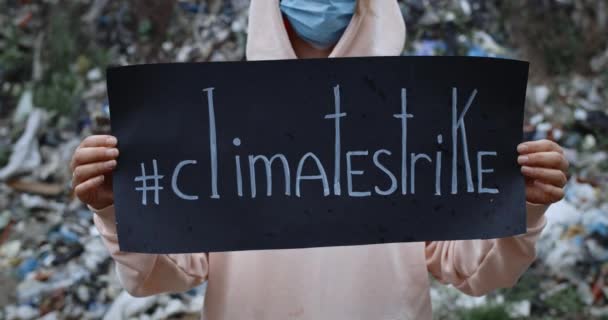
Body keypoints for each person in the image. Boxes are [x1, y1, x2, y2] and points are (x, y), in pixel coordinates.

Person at [70, 1, 569, 319]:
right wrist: (119, 208)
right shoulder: (214, 115)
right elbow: (164, 270)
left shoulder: (419, 112)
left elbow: (473, 271)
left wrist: (519, 207)